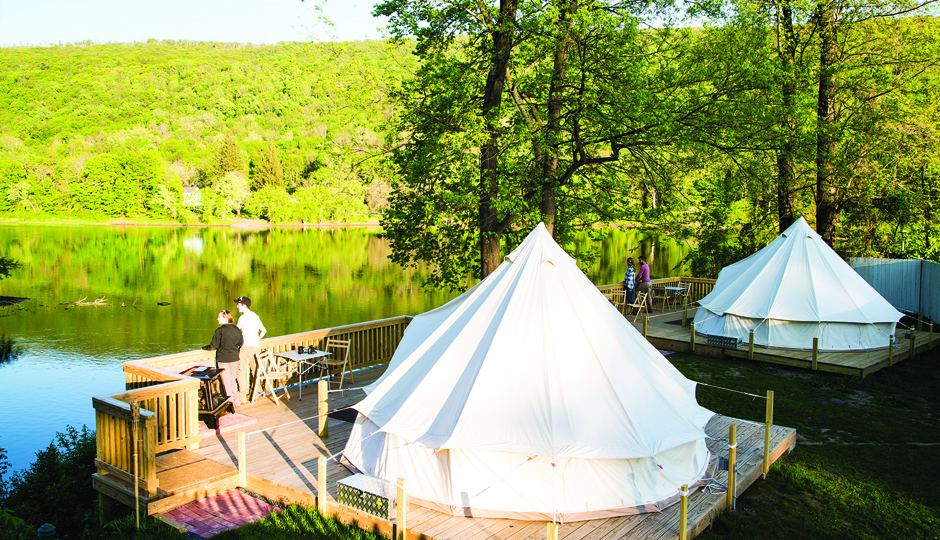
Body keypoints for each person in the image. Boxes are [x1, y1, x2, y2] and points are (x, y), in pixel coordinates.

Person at [202, 310, 243, 407]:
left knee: (226, 381)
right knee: (233, 380)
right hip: (234, 358)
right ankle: (236, 400)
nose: (217, 319)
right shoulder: (236, 329)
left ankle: (230, 402)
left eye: (219, 317)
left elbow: (213, 346)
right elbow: (240, 343)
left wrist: (204, 347)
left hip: (223, 359)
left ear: (225, 318)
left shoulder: (220, 331)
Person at [235, 295, 266, 405]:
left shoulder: (242, 318)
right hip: (256, 346)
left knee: (241, 370)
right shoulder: (255, 316)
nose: (237, 306)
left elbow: (236, 331)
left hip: (246, 346)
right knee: (255, 370)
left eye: (238, 304)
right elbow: (263, 331)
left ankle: (242, 396)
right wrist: (257, 339)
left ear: (244, 306)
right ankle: (255, 394)